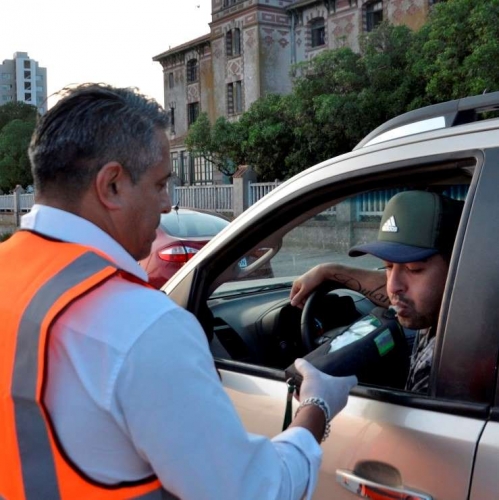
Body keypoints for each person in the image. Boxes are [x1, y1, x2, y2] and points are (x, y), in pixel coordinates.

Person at [0, 83, 357, 500]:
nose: (168, 203)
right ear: (111, 185)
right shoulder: (143, 326)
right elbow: (255, 492)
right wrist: (317, 408)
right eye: (159, 184)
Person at [290, 190, 464, 394]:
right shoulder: (439, 310)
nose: (392, 286)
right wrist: (329, 271)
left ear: (458, 268)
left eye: (413, 269)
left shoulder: (453, 365)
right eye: (389, 266)